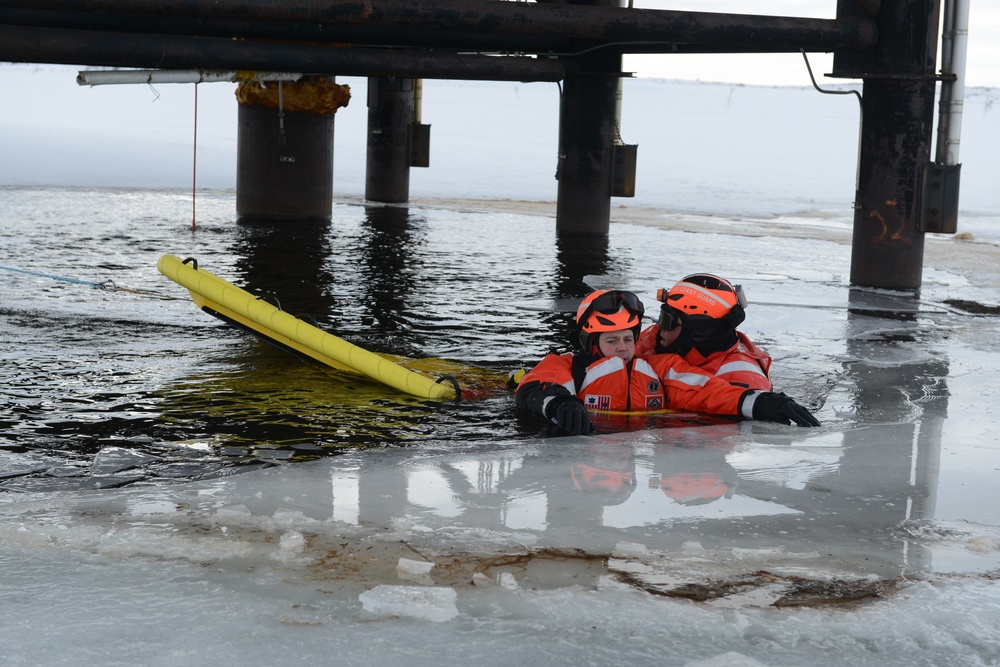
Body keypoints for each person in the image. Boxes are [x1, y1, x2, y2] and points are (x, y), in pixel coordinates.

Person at [514, 289, 819, 435]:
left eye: (628, 339)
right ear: (588, 343)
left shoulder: (660, 368)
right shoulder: (569, 367)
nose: (622, 349)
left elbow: (705, 389)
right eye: (611, 341)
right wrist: (558, 405)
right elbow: (534, 388)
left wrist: (761, 401)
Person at [634, 273, 773, 391]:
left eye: (667, 320)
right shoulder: (656, 340)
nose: (660, 327)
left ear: (699, 331)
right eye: (661, 316)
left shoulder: (738, 379)